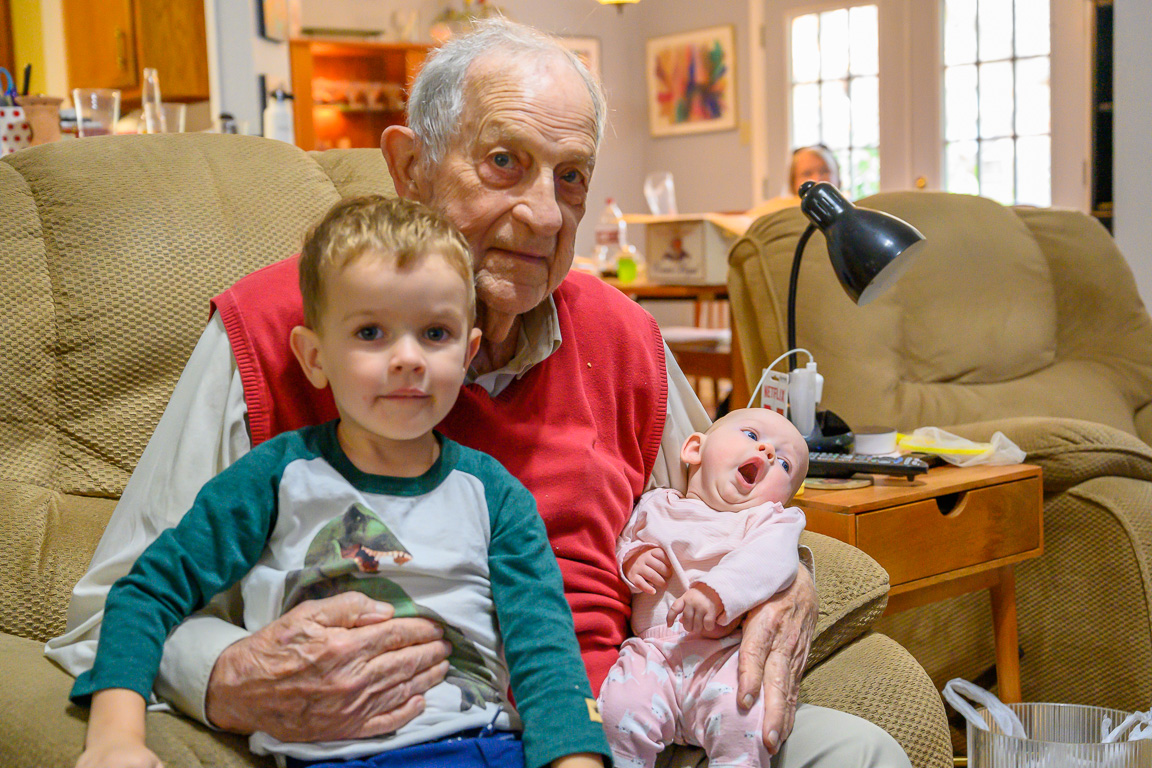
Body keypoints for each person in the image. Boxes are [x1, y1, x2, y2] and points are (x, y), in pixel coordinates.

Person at [47, 19, 909, 768]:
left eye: (571, 177)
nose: (543, 214)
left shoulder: (621, 337)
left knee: (860, 750)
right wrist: (228, 679)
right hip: (371, 735)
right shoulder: (276, 327)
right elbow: (108, 607)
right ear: (410, 167)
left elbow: (721, 502)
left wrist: (787, 575)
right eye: (505, 162)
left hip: (616, 725)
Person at [71, 195, 609, 768]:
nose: (408, 358)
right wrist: (115, 739)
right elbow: (147, 592)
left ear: (468, 350)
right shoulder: (275, 479)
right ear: (314, 356)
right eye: (371, 332)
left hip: (479, 748)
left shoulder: (495, 497)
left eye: (435, 333)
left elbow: (547, 658)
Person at [598, 409, 808, 768]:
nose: (770, 453)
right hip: (653, 654)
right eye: (752, 436)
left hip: (725, 656)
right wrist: (633, 559)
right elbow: (620, 539)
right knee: (617, 710)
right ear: (694, 448)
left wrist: (717, 591)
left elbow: (772, 560)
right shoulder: (655, 503)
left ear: (783, 498)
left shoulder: (770, 520)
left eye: (785, 465)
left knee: (744, 720)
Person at [746, 145, 842, 220]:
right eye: (807, 173)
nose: (817, 180)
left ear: (838, 177)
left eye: (824, 171)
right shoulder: (776, 210)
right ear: (793, 182)